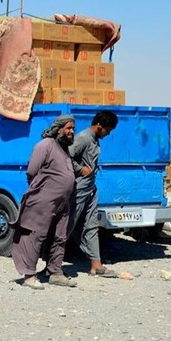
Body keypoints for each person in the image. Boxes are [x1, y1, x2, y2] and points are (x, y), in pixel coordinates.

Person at [11, 115, 78, 290]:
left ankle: (55, 272)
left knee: (60, 236)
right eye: (68, 128)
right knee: (36, 235)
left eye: (73, 128)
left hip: (62, 202)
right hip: (43, 200)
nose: (71, 132)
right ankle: (29, 275)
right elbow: (32, 171)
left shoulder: (64, 149)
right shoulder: (45, 145)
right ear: (58, 129)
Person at [67, 110, 119, 277]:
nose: (108, 133)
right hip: (78, 189)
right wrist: (80, 169)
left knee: (91, 226)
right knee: (67, 226)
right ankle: (51, 265)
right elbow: (66, 156)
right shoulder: (83, 138)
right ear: (99, 126)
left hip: (90, 189)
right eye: (108, 130)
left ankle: (96, 265)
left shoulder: (95, 140)